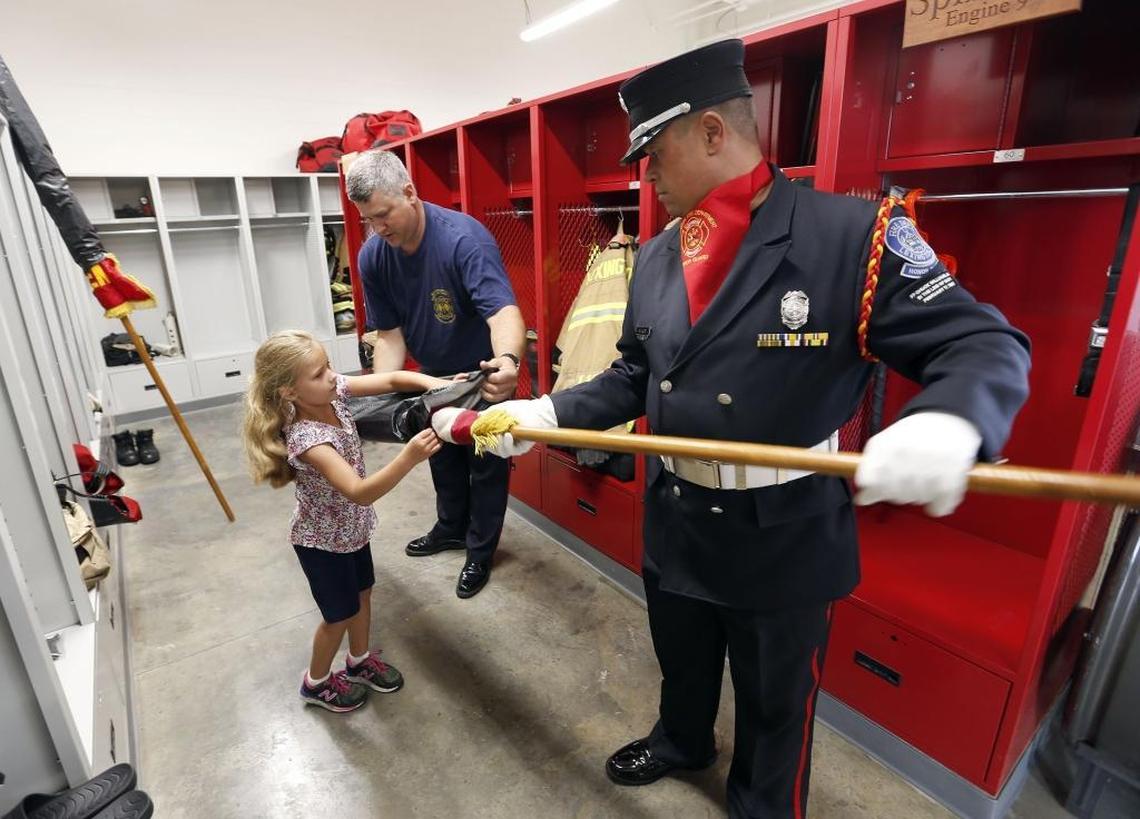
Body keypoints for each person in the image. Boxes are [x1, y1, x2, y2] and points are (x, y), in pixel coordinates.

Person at [474, 40, 1031, 818]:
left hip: (785, 532)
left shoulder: (852, 235)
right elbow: (637, 372)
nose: (647, 176)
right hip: (680, 518)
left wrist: (950, 418)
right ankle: (682, 738)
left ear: (711, 132)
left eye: (655, 154)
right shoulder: (663, 254)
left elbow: (983, 341)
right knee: (684, 662)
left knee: (775, 708)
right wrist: (548, 410)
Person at [345, 150, 526, 599]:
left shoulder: (464, 239)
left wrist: (507, 362)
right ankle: (449, 528)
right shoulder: (374, 255)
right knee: (438, 456)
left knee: (486, 467)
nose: (379, 227)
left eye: (384, 214)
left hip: (480, 376)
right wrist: (382, 396)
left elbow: (503, 311)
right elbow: (389, 334)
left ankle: (480, 551)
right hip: (431, 378)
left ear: (410, 192)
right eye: (369, 219)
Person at [242, 330, 450, 713]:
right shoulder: (308, 439)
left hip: (352, 531)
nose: (332, 376)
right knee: (337, 617)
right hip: (321, 542)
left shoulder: (329, 392)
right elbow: (359, 491)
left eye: (328, 366)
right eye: (320, 372)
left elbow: (390, 379)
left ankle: (358, 661)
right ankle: (316, 683)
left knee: (363, 595)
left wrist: (436, 385)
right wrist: (409, 457)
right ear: (289, 391)